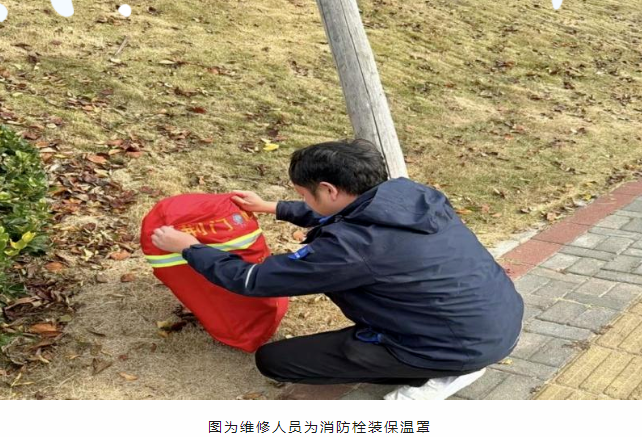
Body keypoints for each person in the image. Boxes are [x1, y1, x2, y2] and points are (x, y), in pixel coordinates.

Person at [151, 139, 524, 400]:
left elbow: (251, 280)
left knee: (275, 361)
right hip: (496, 319)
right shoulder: (410, 197)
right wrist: (273, 207)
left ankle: (443, 372)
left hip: (453, 343)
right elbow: (346, 213)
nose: (301, 199)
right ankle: (454, 357)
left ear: (329, 189)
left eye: (303, 194)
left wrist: (189, 247)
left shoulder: (351, 249)